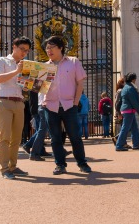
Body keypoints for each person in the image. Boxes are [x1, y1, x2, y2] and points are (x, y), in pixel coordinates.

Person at [42, 35, 91, 174]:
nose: (49, 50)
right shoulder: (45, 67)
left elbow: (80, 82)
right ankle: (60, 165)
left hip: (69, 105)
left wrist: (76, 102)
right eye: (47, 48)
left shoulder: (73, 62)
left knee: (75, 137)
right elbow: (40, 88)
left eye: (52, 47)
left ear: (61, 47)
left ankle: (82, 163)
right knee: (55, 138)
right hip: (50, 106)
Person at [0, 36, 30, 180]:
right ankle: (5, 169)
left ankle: (13, 166)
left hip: (19, 102)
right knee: (4, 137)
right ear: (14, 46)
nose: (24, 53)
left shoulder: (25, 64)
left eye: (26, 51)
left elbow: (25, 87)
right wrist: (17, 71)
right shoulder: (1, 61)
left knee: (16, 138)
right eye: (22, 49)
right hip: (4, 102)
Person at [115, 72, 139, 152]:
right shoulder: (131, 88)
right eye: (135, 79)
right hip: (129, 110)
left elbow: (120, 101)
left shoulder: (125, 88)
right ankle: (119, 145)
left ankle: (136, 144)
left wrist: (118, 112)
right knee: (125, 128)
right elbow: (134, 102)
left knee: (134, 128)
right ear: (133, 79)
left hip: (126, 110)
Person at [22, 89, 50, 161]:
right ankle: (29, 146)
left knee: (40, 130)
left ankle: (41, 150)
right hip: (38, 107)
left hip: (36, 107)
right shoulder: (35, 83)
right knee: (41, 130)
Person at [111, 77, 125, 145]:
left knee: (124, 127)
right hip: (121, 112)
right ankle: (116, 138)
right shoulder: (120, 91)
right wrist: (119, 113)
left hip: (122, 111)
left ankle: (123, 142)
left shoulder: (120, 91)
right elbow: (117, 103)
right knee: (125, 128)